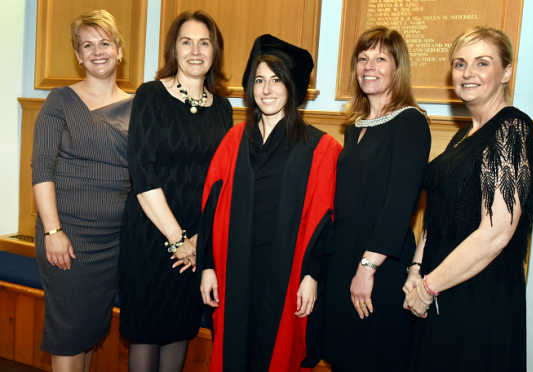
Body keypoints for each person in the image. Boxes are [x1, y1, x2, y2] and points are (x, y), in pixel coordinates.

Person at [403, 26, 533, 372]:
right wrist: (417, 268)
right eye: (460, 63)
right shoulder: (462, 136)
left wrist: (427, 288)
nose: (468, 73)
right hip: (441, 287)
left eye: (482, 63)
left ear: (506, 72)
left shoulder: (512, 128)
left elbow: (496, 233)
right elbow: (439, 214)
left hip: (479, 296)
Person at [198, 34, 342, 372]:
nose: (266, 89)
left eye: (277, 80)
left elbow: (323, 219)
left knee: (275, 352)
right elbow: (210, 208)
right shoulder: (234, 141)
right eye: (259, 80)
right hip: (235, 270)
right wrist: (207, 266)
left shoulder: (319, 149)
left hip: (285, 274)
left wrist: (311, 275)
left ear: (292, 87)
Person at [118, 11, 232, 372]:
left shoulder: (224, 108)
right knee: (147, 335)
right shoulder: (151, 95)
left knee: (181, 329)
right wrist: (177, 238)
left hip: (199, 239)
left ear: (215, 51)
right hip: (152, 235)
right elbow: (142, 170)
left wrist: (198, 240)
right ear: (173, 49)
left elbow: (223, 182)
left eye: (204, 42)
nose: (195, 50)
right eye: (186, 42)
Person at [320, 26, 431, 372]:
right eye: (363, 58)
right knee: (342, 354)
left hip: (381, 259)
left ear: (398, 68)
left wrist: (367, 267)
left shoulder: (411, 121)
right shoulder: (355, 126)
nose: (370, 66)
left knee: (373, 357)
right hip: (344, 256)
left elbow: (400, 203)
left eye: (381, 58)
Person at [31, 9, 132, 372]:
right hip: (67, 239)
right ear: (78, 56)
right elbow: (41, 169)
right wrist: (53, 232)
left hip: (114, 243)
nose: (97, 51)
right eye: (87, 45)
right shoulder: (59, 100)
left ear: (120, 50)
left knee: (90, 332)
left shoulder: (140, 107)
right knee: (69, 335)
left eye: (105, 42)